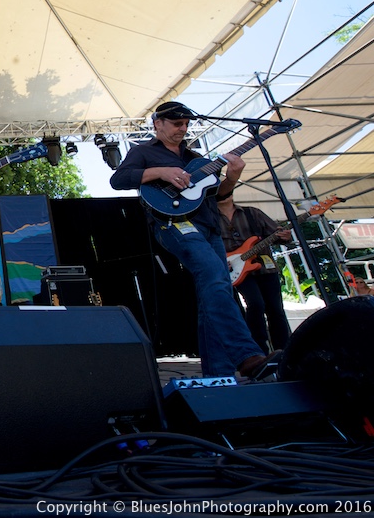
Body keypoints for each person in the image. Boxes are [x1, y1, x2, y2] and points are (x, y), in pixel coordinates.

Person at [109, 101, 279, 379]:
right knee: (213, 276)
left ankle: (218, 376)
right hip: (173, 224)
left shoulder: (196, 157)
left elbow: (219, 196)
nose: (183, 129)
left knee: (216, 289)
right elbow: (119, 180)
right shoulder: (143, 152)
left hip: (209, 226)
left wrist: (232, 177)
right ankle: (247, 355)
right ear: (158, 124)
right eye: (177, 123)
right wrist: (162, 171)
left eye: (186, 124)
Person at [217, 191, 292, 353]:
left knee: (276, 309)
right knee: (255, 304)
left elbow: (276, 235)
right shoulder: (211, 219)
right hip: (235, 269)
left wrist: (285, 236)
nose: (225, 194)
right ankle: (259, 349)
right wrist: (222, 261)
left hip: (264, 267)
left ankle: (284, 349)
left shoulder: (252, 213)